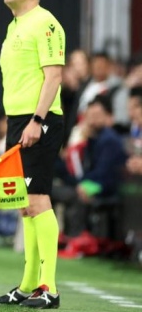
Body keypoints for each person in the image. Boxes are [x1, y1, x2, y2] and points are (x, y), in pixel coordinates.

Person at [0, 0, 65, 309]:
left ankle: (50, 287)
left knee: (37, 200)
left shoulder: (45, 23)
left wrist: (37, 119)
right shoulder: (15, 25)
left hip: (39, 121)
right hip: (20, 121)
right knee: (24, 206)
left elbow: (54, 77)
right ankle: (28, 284)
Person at [55, 95, 128, 253]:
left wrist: (84, 185)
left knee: (76, 192)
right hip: (95, 181)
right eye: (90, 116)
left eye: (97, 116)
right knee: (70, 187)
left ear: (108, 117)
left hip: (105, 186)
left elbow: (102, 174)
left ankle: (76, 238)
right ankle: (68, 236)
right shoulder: (93, 139)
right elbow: (81, 171)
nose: (92, 120)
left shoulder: (109, 139)